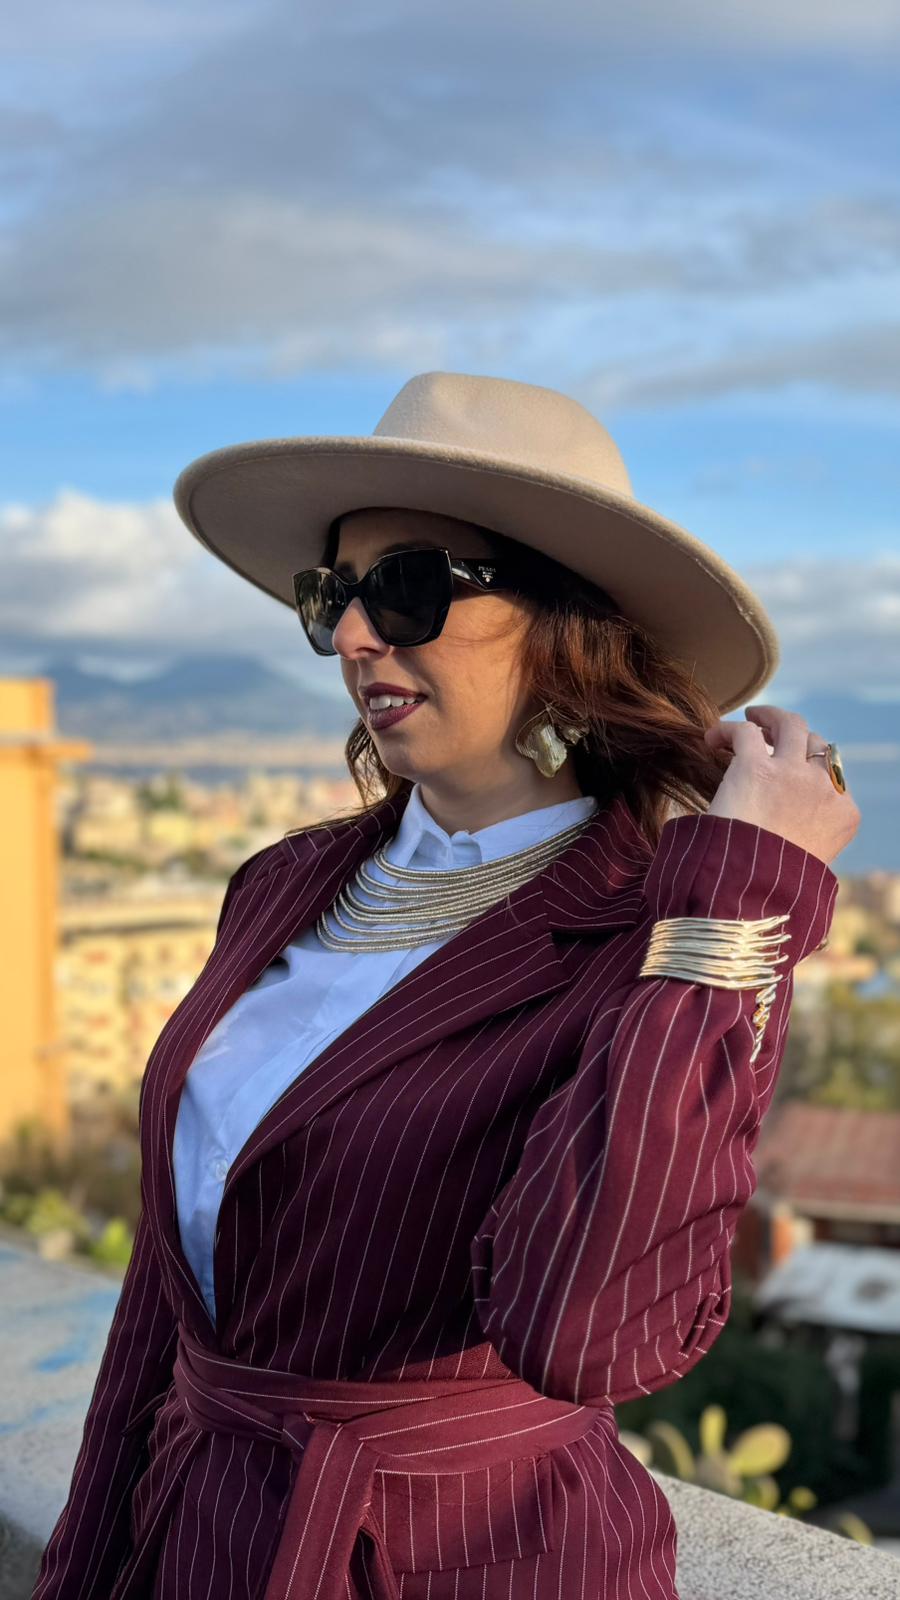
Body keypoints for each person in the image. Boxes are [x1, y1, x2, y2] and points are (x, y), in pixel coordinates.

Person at [33, 372, 859, 1600]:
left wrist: (744, 900)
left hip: (476, 1563)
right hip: (200, 1540)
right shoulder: (284, 884)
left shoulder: (663, 930)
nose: (355, 636)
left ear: (567, 620)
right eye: (334, 595)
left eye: (409, 586)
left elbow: (595, 1332)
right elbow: (165, 1294)